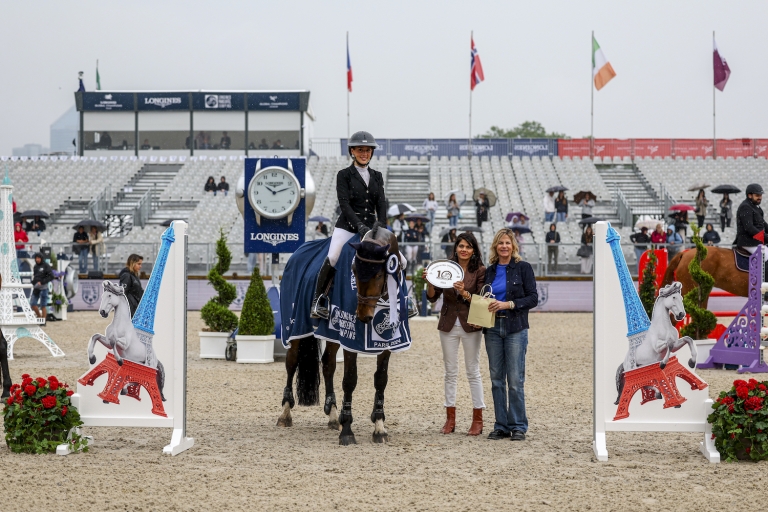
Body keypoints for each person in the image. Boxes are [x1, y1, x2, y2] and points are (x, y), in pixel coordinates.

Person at [311, 131, 389, 320]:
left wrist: (382, 227)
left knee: (398, 259)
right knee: (334, 256)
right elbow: (344, 204)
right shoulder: (344, 175)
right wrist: (359, 226)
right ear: (352, 151)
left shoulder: (377, 176)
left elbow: (381, 204)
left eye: (368, 150)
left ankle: (404, 300)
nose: (364, 153)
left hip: (372, 227)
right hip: (347, 226)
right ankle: (319, 300)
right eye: (360, 150)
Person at [424, 232, 486, 436]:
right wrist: (430, 282)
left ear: (473, 249)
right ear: (456, 248)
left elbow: (481, 299)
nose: (464, 250)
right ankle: (450, 418)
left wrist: (464, 293)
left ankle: (478, 418)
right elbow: (433, 298)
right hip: (448, 323)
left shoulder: (480, 271)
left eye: (468, 247)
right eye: (461, 246)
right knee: (450, 372)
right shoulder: (445, 267)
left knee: (473, 371)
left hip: (471, 323)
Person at [483, 228, 538, 441]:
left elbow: (533, 298)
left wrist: (509, 304)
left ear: (513, 246)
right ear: (495, 247)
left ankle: (518, 426)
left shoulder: (523, 268)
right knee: (496, 379)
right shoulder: (489, 270)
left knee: (515, 380)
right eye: (500, 243)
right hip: (493, 329)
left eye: (507, 242)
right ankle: (501, 425)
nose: (504, 246)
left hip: (516, 328)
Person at [734, 183, 767, 268]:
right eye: (757, 195)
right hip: (748, 242)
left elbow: (763, 224)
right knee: (766, 256)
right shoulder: (745, 207)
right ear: (749, 195)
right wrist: (766, 237)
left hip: (756, 241)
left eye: (760, 195)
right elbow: (749, 228)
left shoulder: (756, 207)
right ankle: (764, 280)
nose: (759, 198)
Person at [30, 253, 54, 321]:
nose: (37, 259)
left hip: (43, 288)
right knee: (33, 304)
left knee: (43, 305)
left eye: (38, 258)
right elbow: (35, 276)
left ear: (41, 258)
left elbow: (51, 276)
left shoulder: (46, 266)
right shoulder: (35, 266)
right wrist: (33, 282)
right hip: (36, 288)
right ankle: (40, 317)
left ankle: (43, 320)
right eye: (36, 258)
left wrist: (42, 281)